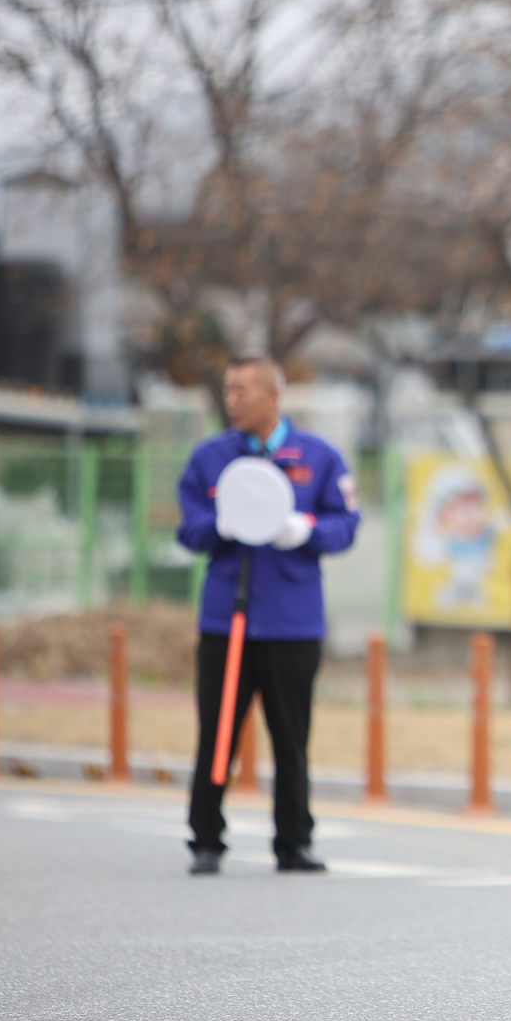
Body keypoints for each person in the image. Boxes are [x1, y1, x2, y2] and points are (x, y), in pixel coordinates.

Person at [176, 357, 361, 875]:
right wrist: (220, 526)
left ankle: (294, 842)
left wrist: (305, 531)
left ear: (273, 395)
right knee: (217, 734)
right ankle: (206, 839)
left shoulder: (319, 457)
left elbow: (346, 524)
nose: (232, 400)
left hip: (292, 622)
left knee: (291, 737)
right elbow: (188, 527)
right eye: (228, 390)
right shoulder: (211, 458)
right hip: (227, 621)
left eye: (242, 390)